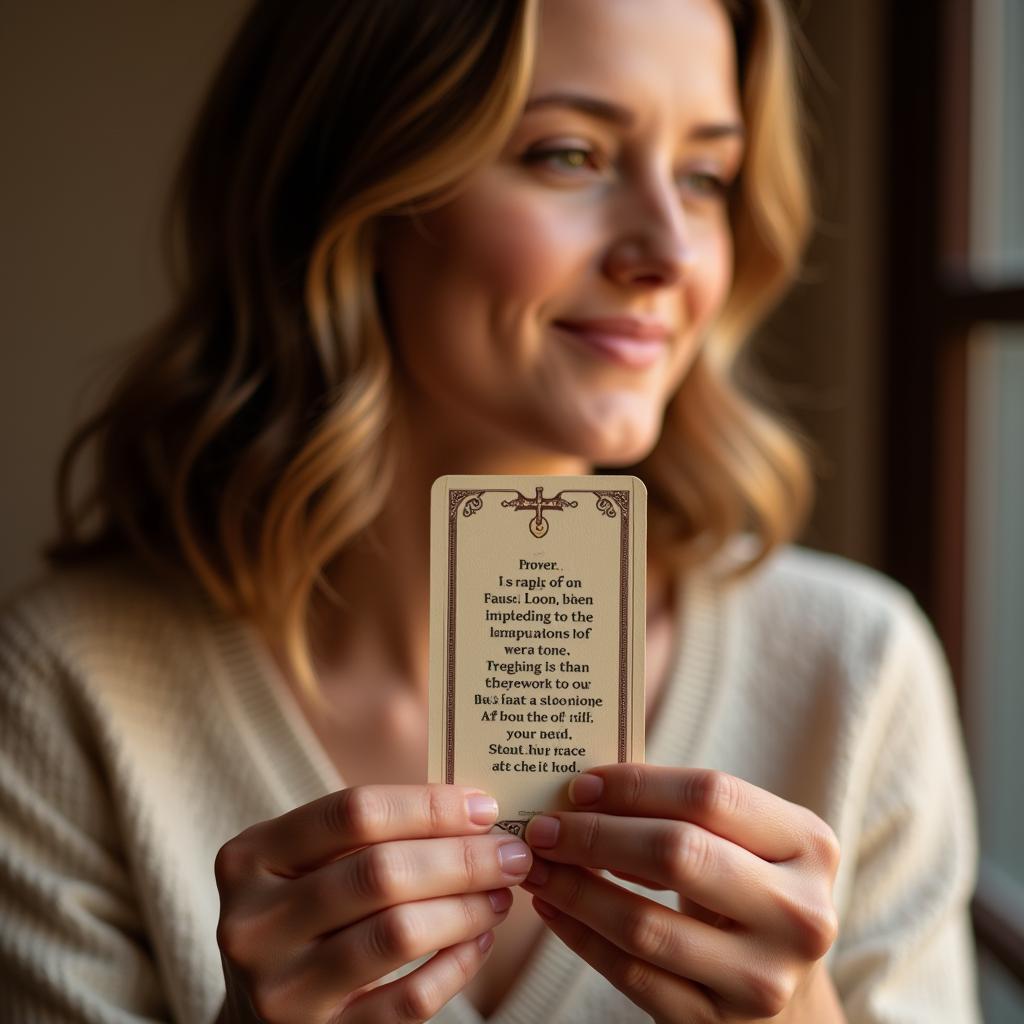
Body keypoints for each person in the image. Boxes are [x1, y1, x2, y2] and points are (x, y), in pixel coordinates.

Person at [0, 0, 982, 1021]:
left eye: (705, 177)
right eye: (569, 153)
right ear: (356, 188)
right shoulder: (69, 689)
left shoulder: (854, 670)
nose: (670, 252)